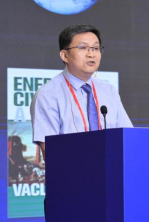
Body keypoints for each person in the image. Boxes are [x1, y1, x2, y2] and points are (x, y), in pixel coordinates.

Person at [30, 24, 133, 160]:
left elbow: (129, 139)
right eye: (83, 48)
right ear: (65, 55)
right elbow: (50, 153)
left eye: (95, 48)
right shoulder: (48, 95)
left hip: (111, 170)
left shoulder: (109, 91)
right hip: (72, 171)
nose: (91, 54)